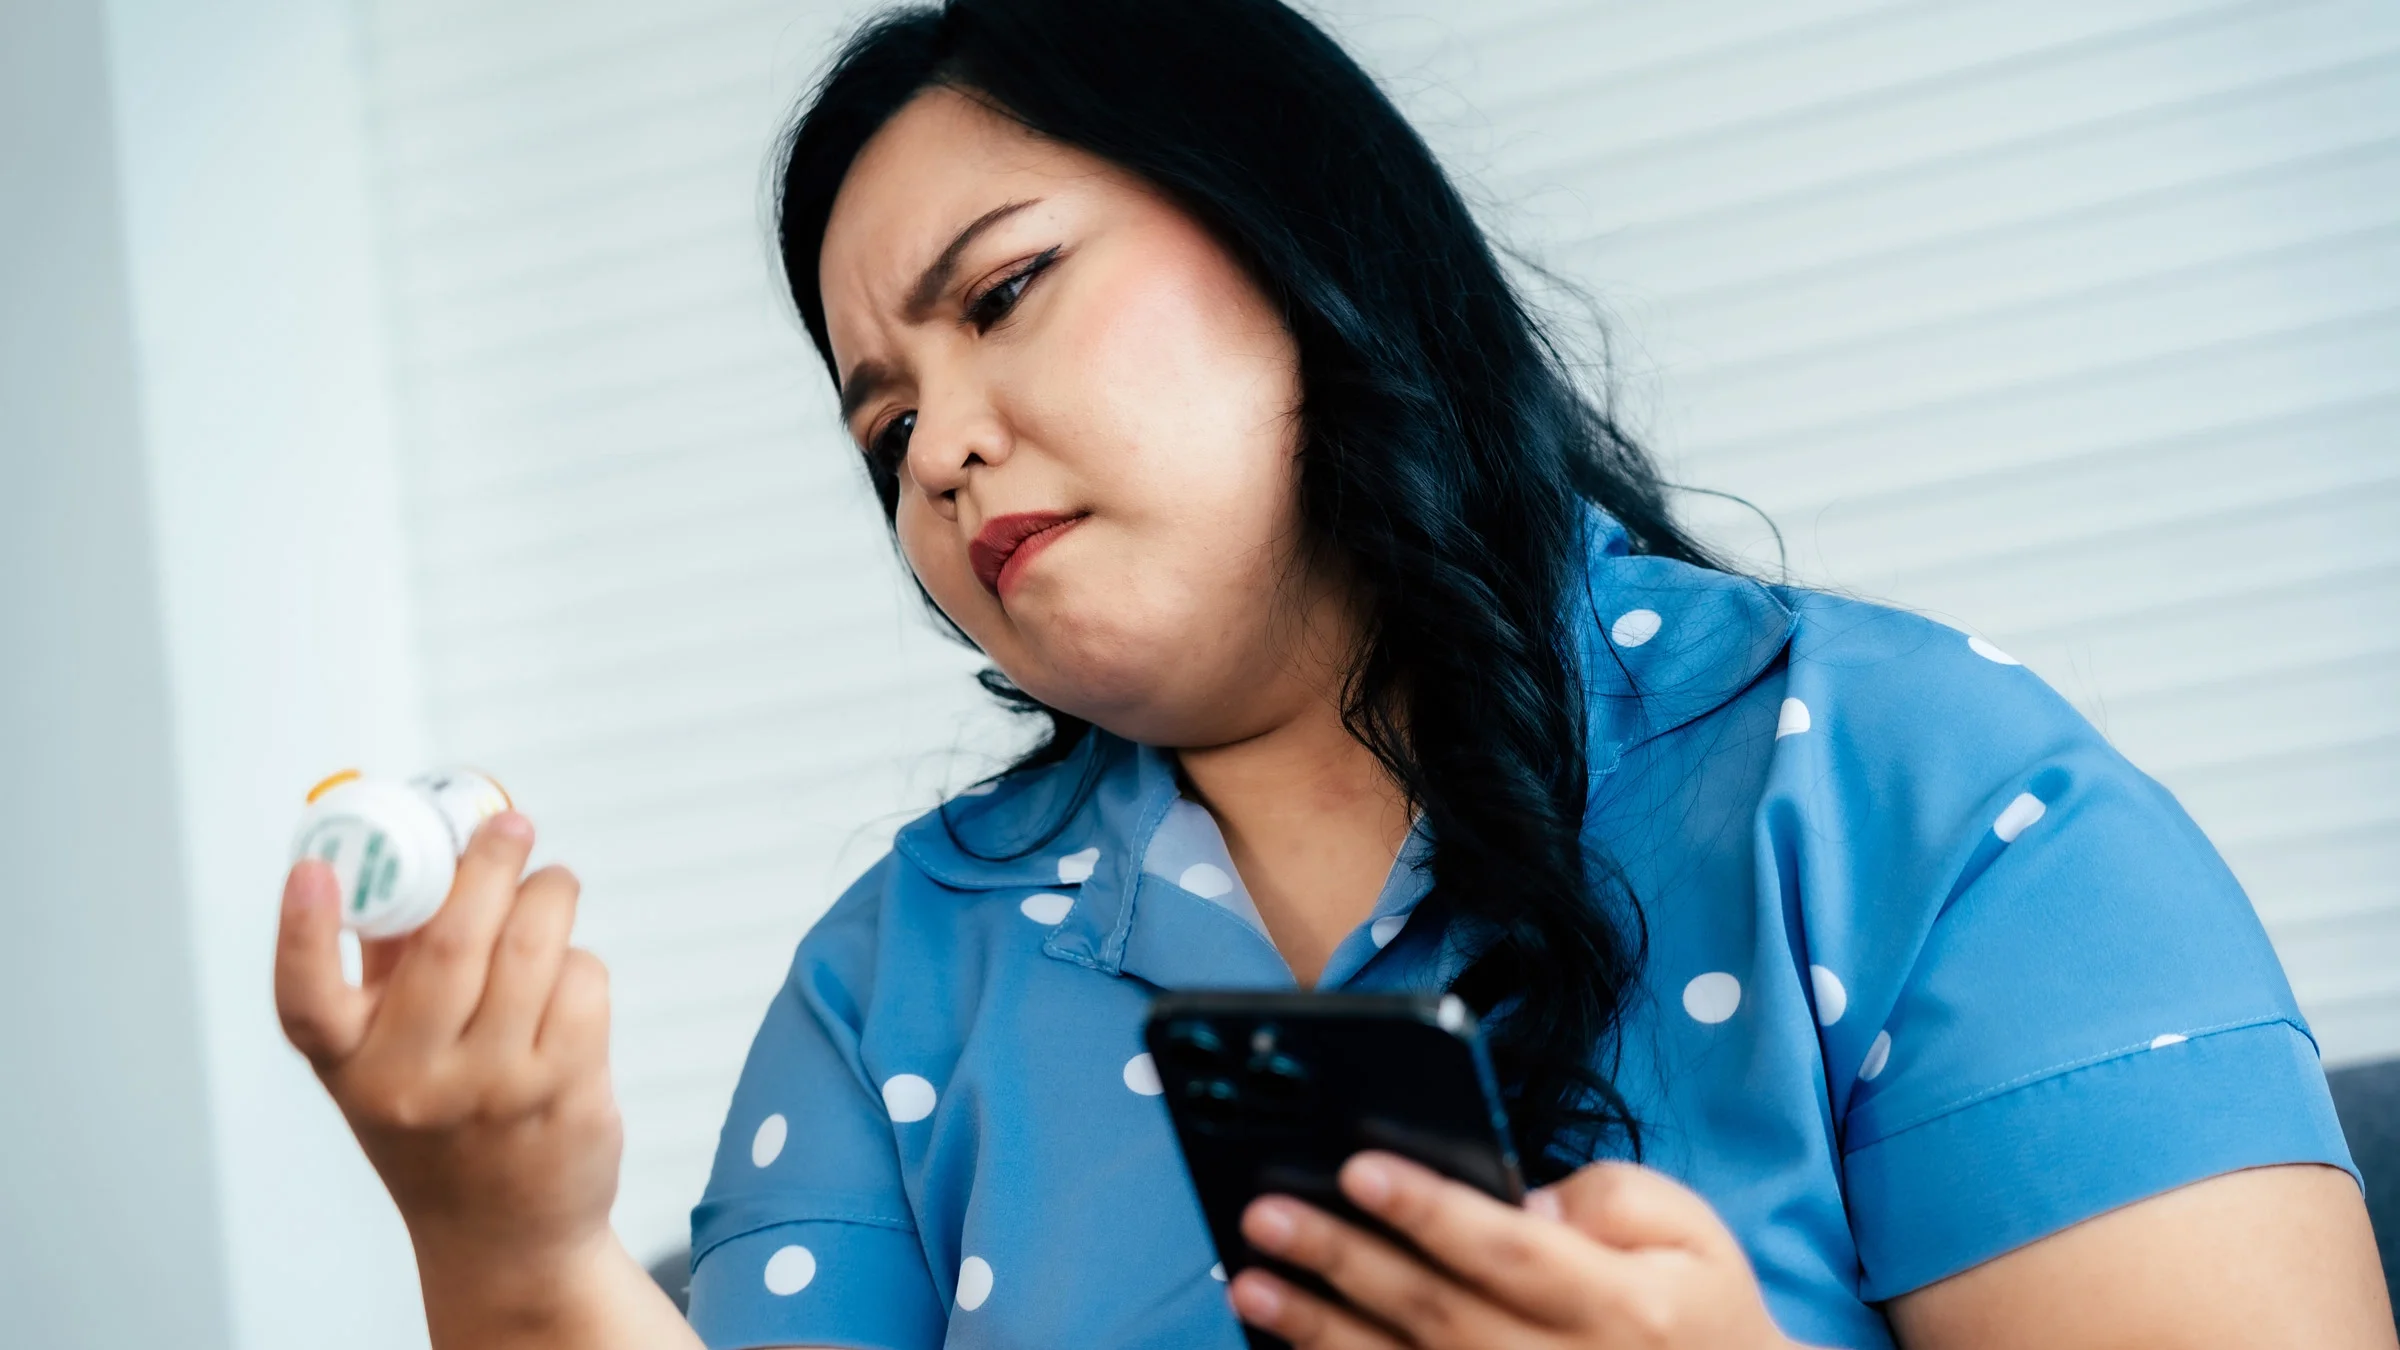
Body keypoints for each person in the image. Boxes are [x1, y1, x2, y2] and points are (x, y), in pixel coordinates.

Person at [271, 1, 2396, 1346]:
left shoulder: (1917, 797)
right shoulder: (895, 982)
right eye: (882, 427)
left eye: (1005, 294)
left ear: (1304, 241)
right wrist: (518, 1251)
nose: (945, 449)